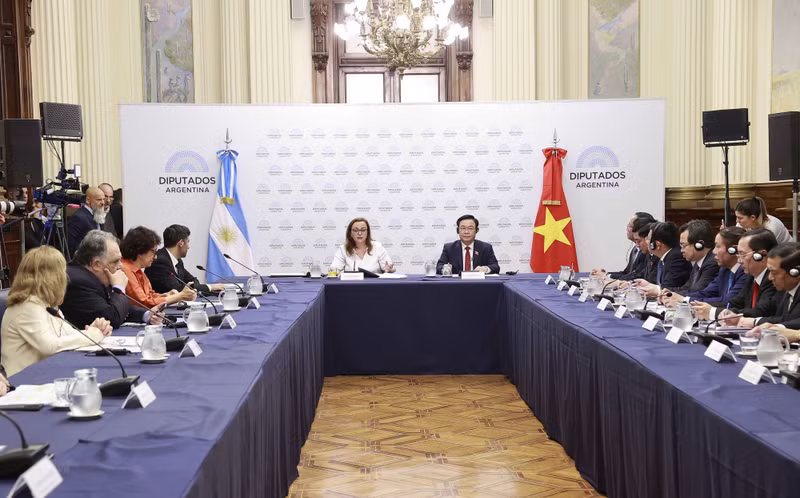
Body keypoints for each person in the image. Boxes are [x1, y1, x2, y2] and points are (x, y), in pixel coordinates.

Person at [0, 246, 113, 377]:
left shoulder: (46, 304)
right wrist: (92, 335)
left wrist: (92, 330)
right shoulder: (26, 307)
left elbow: (67, 334)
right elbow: (50, 345)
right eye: (62, 273)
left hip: (41, 375)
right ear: (52, 278)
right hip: (20, 381)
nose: (66, 278)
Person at [61, 230, 164, 329]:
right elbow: (111, 317)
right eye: (115, 261)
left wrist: (146, 314)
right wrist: (119, 289)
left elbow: (117, 306)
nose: (120, 266)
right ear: (96, 264)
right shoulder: (79, 282)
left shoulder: (97, 277)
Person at [695, 228, 779, 321]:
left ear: (761, 255)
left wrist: (713, 312)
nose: (739, 261)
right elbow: (735, 303)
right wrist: (699, 307)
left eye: (743, 254)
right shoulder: (751, 278)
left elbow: (760, 312)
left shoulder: (773, 279)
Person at [664, 227, 747, 308]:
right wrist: (675, 296)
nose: (714, 251)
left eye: (718, 247)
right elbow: (706, 292)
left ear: (733, 250)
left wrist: (685, 300)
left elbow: (727, 302)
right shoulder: (724, 269)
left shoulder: (745, 273)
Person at [722, 242, 800, 329]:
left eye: (774, 272)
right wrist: (737, 317)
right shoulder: (784, 291)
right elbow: (773, 314)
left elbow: (793, 320)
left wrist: (755, 322)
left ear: (795, 273)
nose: (770, 277)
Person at [120, 226, 196, 307]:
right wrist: (179, 296)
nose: (155, 257)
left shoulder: (138, 270)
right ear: (140, 250)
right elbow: (144, 303)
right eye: (154, 252)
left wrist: (166, 295)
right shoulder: (126, 270)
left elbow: (150, 295)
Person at [146, 224, 224, 294]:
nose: (188, 247)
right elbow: (178, 290)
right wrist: (210, 287)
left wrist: (193, 286)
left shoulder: (178, 261)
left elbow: (193, 280)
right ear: (181, 243)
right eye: (188, 242)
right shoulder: (159, 262)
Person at [660, 220, 719, 297]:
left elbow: (697, 291)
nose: (681, 250)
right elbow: (687, 288)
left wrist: (673, 295)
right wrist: (668, 292)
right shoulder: (698, 263)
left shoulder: (712, 263)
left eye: (684, 246)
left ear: (699, 245)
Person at [634, 221, 692, 296]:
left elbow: (669, 286)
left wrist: (654, 288)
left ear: (657, 244)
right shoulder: (664, 257)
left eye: (648, 238)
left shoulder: (676, 257)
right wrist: (648, 285)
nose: (646, 241)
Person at [591, 212, 655, 279]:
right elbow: (627, 273)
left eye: (630, 226)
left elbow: (636, 277)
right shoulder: (635, 249)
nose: (627, 229)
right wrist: (606, 274)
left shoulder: (647, 252)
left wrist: (606, 276)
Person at [330, 218, 395, 274]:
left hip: (374, 283)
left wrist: (390, 269)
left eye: (363, 230)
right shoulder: (343, 249)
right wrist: (335, 271)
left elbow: (390, 268)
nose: (359, 233)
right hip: (352, 283)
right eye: (355, 230)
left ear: (367, 232)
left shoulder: (378, 246)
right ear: (350, 233)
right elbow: (334, 269)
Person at [67, 186, 107, 257]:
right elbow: (71, 244)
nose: (103, 203)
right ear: (88, 200)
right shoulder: (79, 217)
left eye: (104, 199)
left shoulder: (97, 215)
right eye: (99, 200)